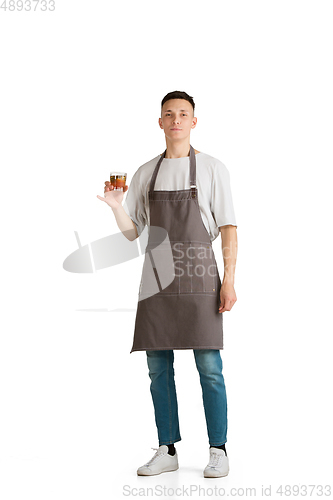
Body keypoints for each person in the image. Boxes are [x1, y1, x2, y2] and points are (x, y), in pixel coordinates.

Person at [97, 91, 238, 478]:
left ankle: (218, 448)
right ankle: (167, 448)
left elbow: (228, 228)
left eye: (183, 114)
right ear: (160, 122)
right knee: (158, 368)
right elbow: (133, 234)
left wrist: (229, 280)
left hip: (200, 278)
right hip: (156, 280)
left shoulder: (212, 168)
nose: (176, 119)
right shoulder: (146, 172)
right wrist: (115, 207)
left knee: (209, 367)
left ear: (194, 122)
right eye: (168, 114)